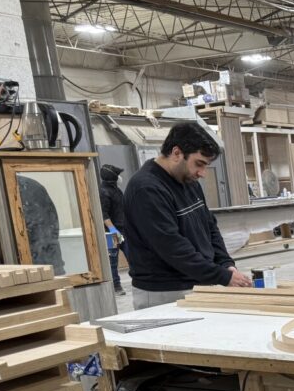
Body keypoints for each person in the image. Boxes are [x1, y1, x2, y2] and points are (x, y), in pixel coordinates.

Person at [123, 122, 252, 310]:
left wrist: (225, 264)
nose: (202, 173)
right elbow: (173, 247)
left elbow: (210, 227)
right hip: (164, 292)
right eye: (199, 164)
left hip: (196, 283)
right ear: (176, 153)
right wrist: (222, 276)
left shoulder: (188, 181)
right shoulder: (147, 189)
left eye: (206, 166)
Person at [98, 163, 126, 295]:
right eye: (118, 175)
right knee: (113, 260)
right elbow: (104, 214)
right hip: (112, 232)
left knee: (133, 255)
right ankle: (116, 286)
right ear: (113, 177)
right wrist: (113, 230)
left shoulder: (116, 189)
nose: (120, 177)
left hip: (123, 229)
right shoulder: (104, 192)